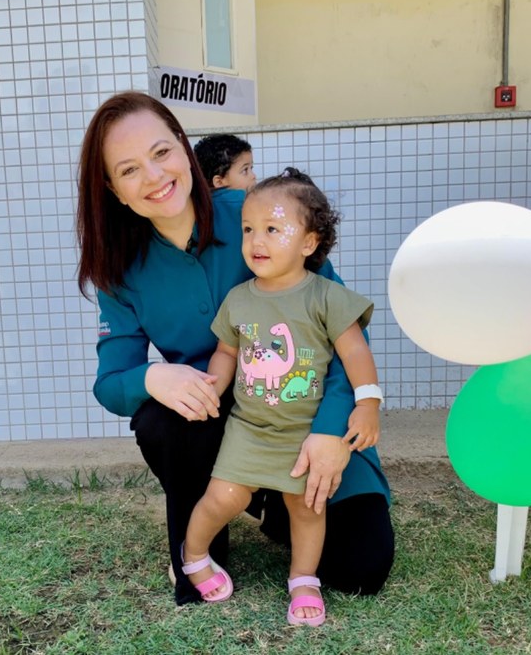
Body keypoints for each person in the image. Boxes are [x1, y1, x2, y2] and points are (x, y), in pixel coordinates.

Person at [76, 91, 393, 606]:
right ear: (113, 189)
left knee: (361, 568)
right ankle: (201, 545)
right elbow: (111, 383)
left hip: (307, 414)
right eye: (129, 170)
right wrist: (155, 378)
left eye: (161, 153)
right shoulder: (120, 269)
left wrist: (333, 432)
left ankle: (272, 503)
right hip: (230, 425)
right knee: (161, 419)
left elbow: (340, 333)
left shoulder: (255, 214)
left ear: (183, 147)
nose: (155, 177)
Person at [181, 168, 382, 626]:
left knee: (307, 507)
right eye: (249, 229)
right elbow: (226, 351)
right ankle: (193, 554)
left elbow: (354, 352)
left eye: (273, 229)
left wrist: (368, 402)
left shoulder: (327, 297)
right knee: (222, 498)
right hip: (249, 429)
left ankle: (303, 578)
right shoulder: (239, 298)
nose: (257, 240)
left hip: (304, 432)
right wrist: (211, 387)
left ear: (309, 243)